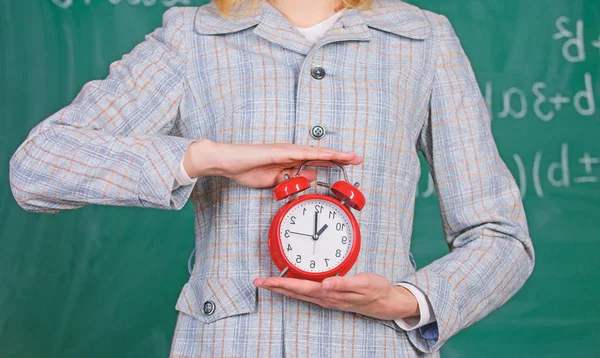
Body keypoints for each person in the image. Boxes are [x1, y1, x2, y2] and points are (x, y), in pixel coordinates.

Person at [8, 0, 535, 356]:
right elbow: (38, 167)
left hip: (373, 346)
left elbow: (501, 237)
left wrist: (406, 300)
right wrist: (203, 157)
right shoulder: (192, 38)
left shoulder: (421, 39)